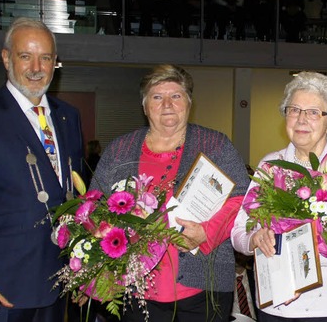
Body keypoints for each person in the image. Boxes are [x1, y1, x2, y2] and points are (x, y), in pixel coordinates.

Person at [90, 64, 250, 322]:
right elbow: (95, 205)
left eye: (176, 96)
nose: (167, 104)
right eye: (157, 97)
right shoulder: (119, 150)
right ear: (144, 106)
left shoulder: (216, 145)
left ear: (189, 102)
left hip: (203, 287)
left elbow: (241, 197)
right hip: (136, 290)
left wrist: (206, 233)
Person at [231, 71, 327, 321]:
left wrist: (324, 242)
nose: (301, 119)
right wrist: (255, 238)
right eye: (294, 110)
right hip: (274, 304)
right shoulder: (270, 164)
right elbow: (238, 232)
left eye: (313, 112)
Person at [0, 17, 85, 322]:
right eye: (25, 56)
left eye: (45, 57)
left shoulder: (68, 117)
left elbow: (76, 198)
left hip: (60, 285)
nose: (37, 67)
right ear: (7, 58)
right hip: (5, 286)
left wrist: (84, 269)